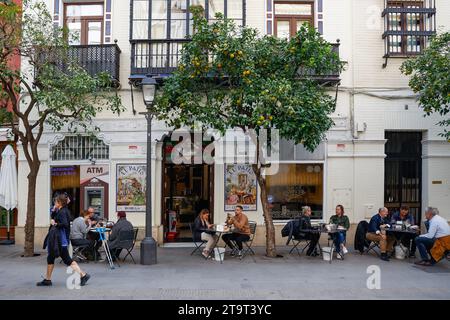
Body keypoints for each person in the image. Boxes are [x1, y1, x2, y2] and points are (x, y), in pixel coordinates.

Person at [37, 194, 90, 287]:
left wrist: (56, 224)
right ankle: (47, 279)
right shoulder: (61, 210)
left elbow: (65, 224)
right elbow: (54, 217)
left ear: (60, 202)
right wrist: (53, 211)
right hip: (59, 240)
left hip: (60, 240)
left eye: (56, 201)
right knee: (51, 258)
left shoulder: (62, 212)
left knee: (67, 260)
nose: (54, 203)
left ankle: (83, 275)